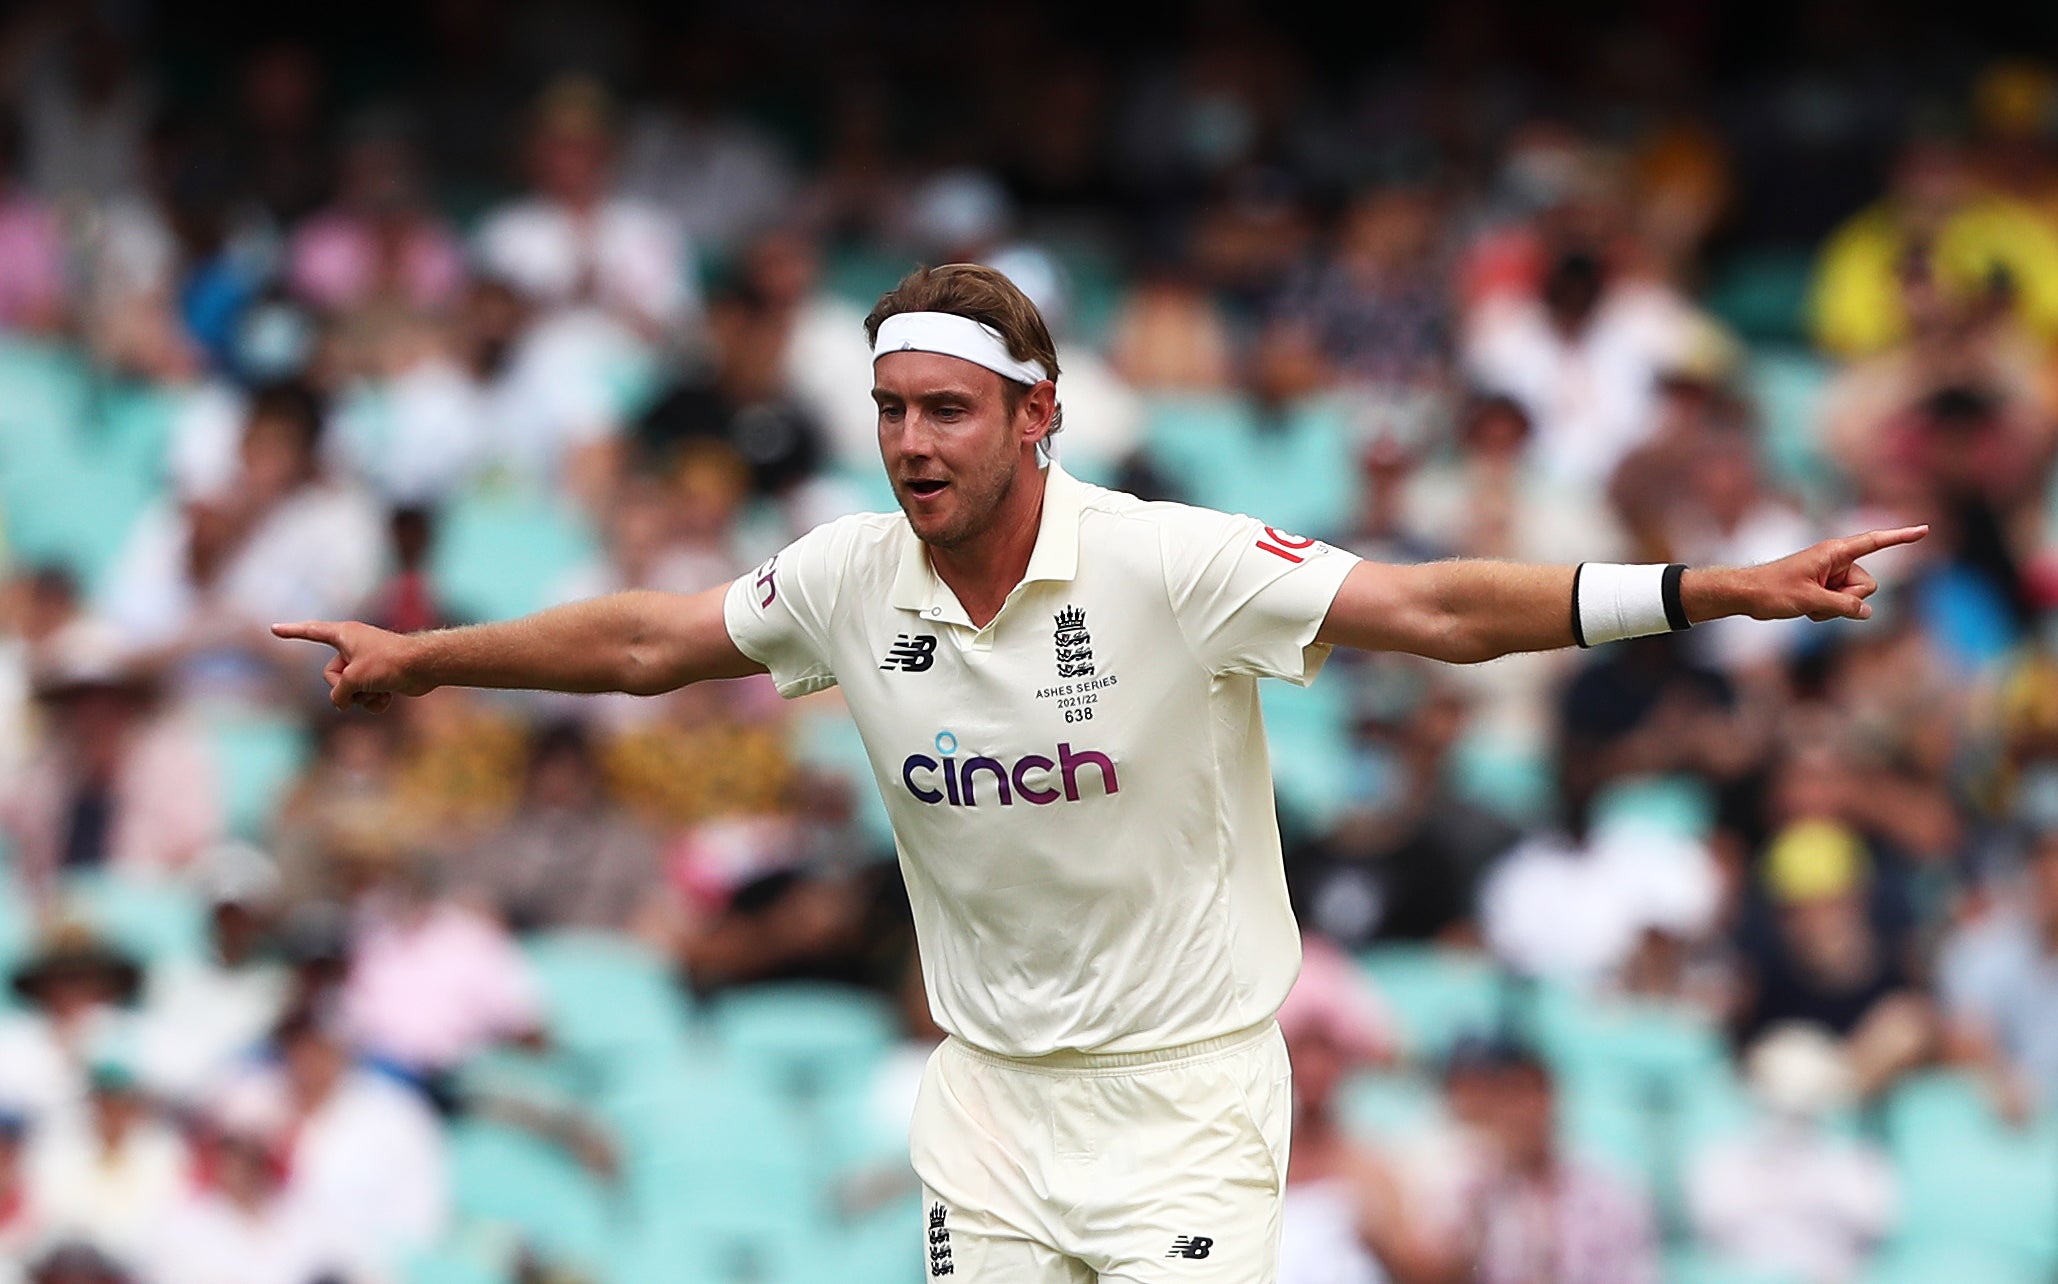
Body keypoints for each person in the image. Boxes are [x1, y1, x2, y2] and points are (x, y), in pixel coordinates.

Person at [273, 262, 1923, 1282]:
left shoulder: (1171, 560)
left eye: (947, 412)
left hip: (1186, 1094)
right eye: (890, 413)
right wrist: (427, 656)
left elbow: (1430, 608)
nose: (912, 444)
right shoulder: (853, 577)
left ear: (1037, 415)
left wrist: (1711, 586)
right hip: (987, 1099)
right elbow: (649, 645)